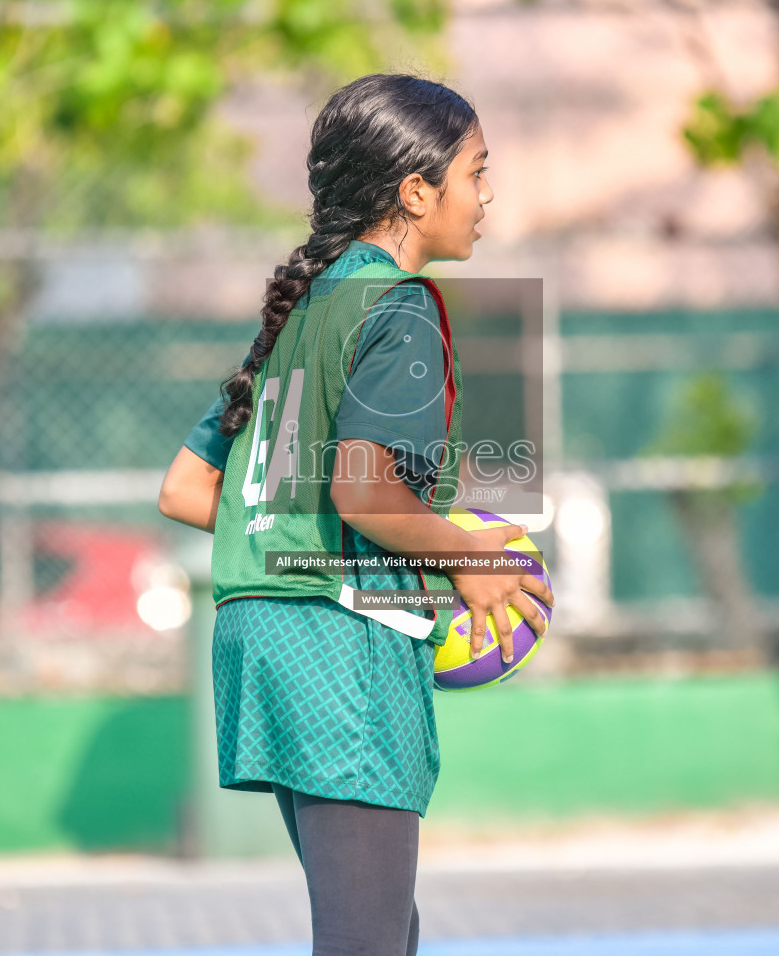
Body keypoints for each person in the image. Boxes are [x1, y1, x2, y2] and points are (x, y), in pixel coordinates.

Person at [157, 73, 554, 956]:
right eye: (476, 172)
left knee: (380, 931)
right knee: (366, 943)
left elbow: (187, 488)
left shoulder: (304, 306)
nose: (485, 196)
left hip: (261, 631)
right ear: (416, 190)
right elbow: (366, 493)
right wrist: (465, 556)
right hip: (345, 637)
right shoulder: (397, 307)